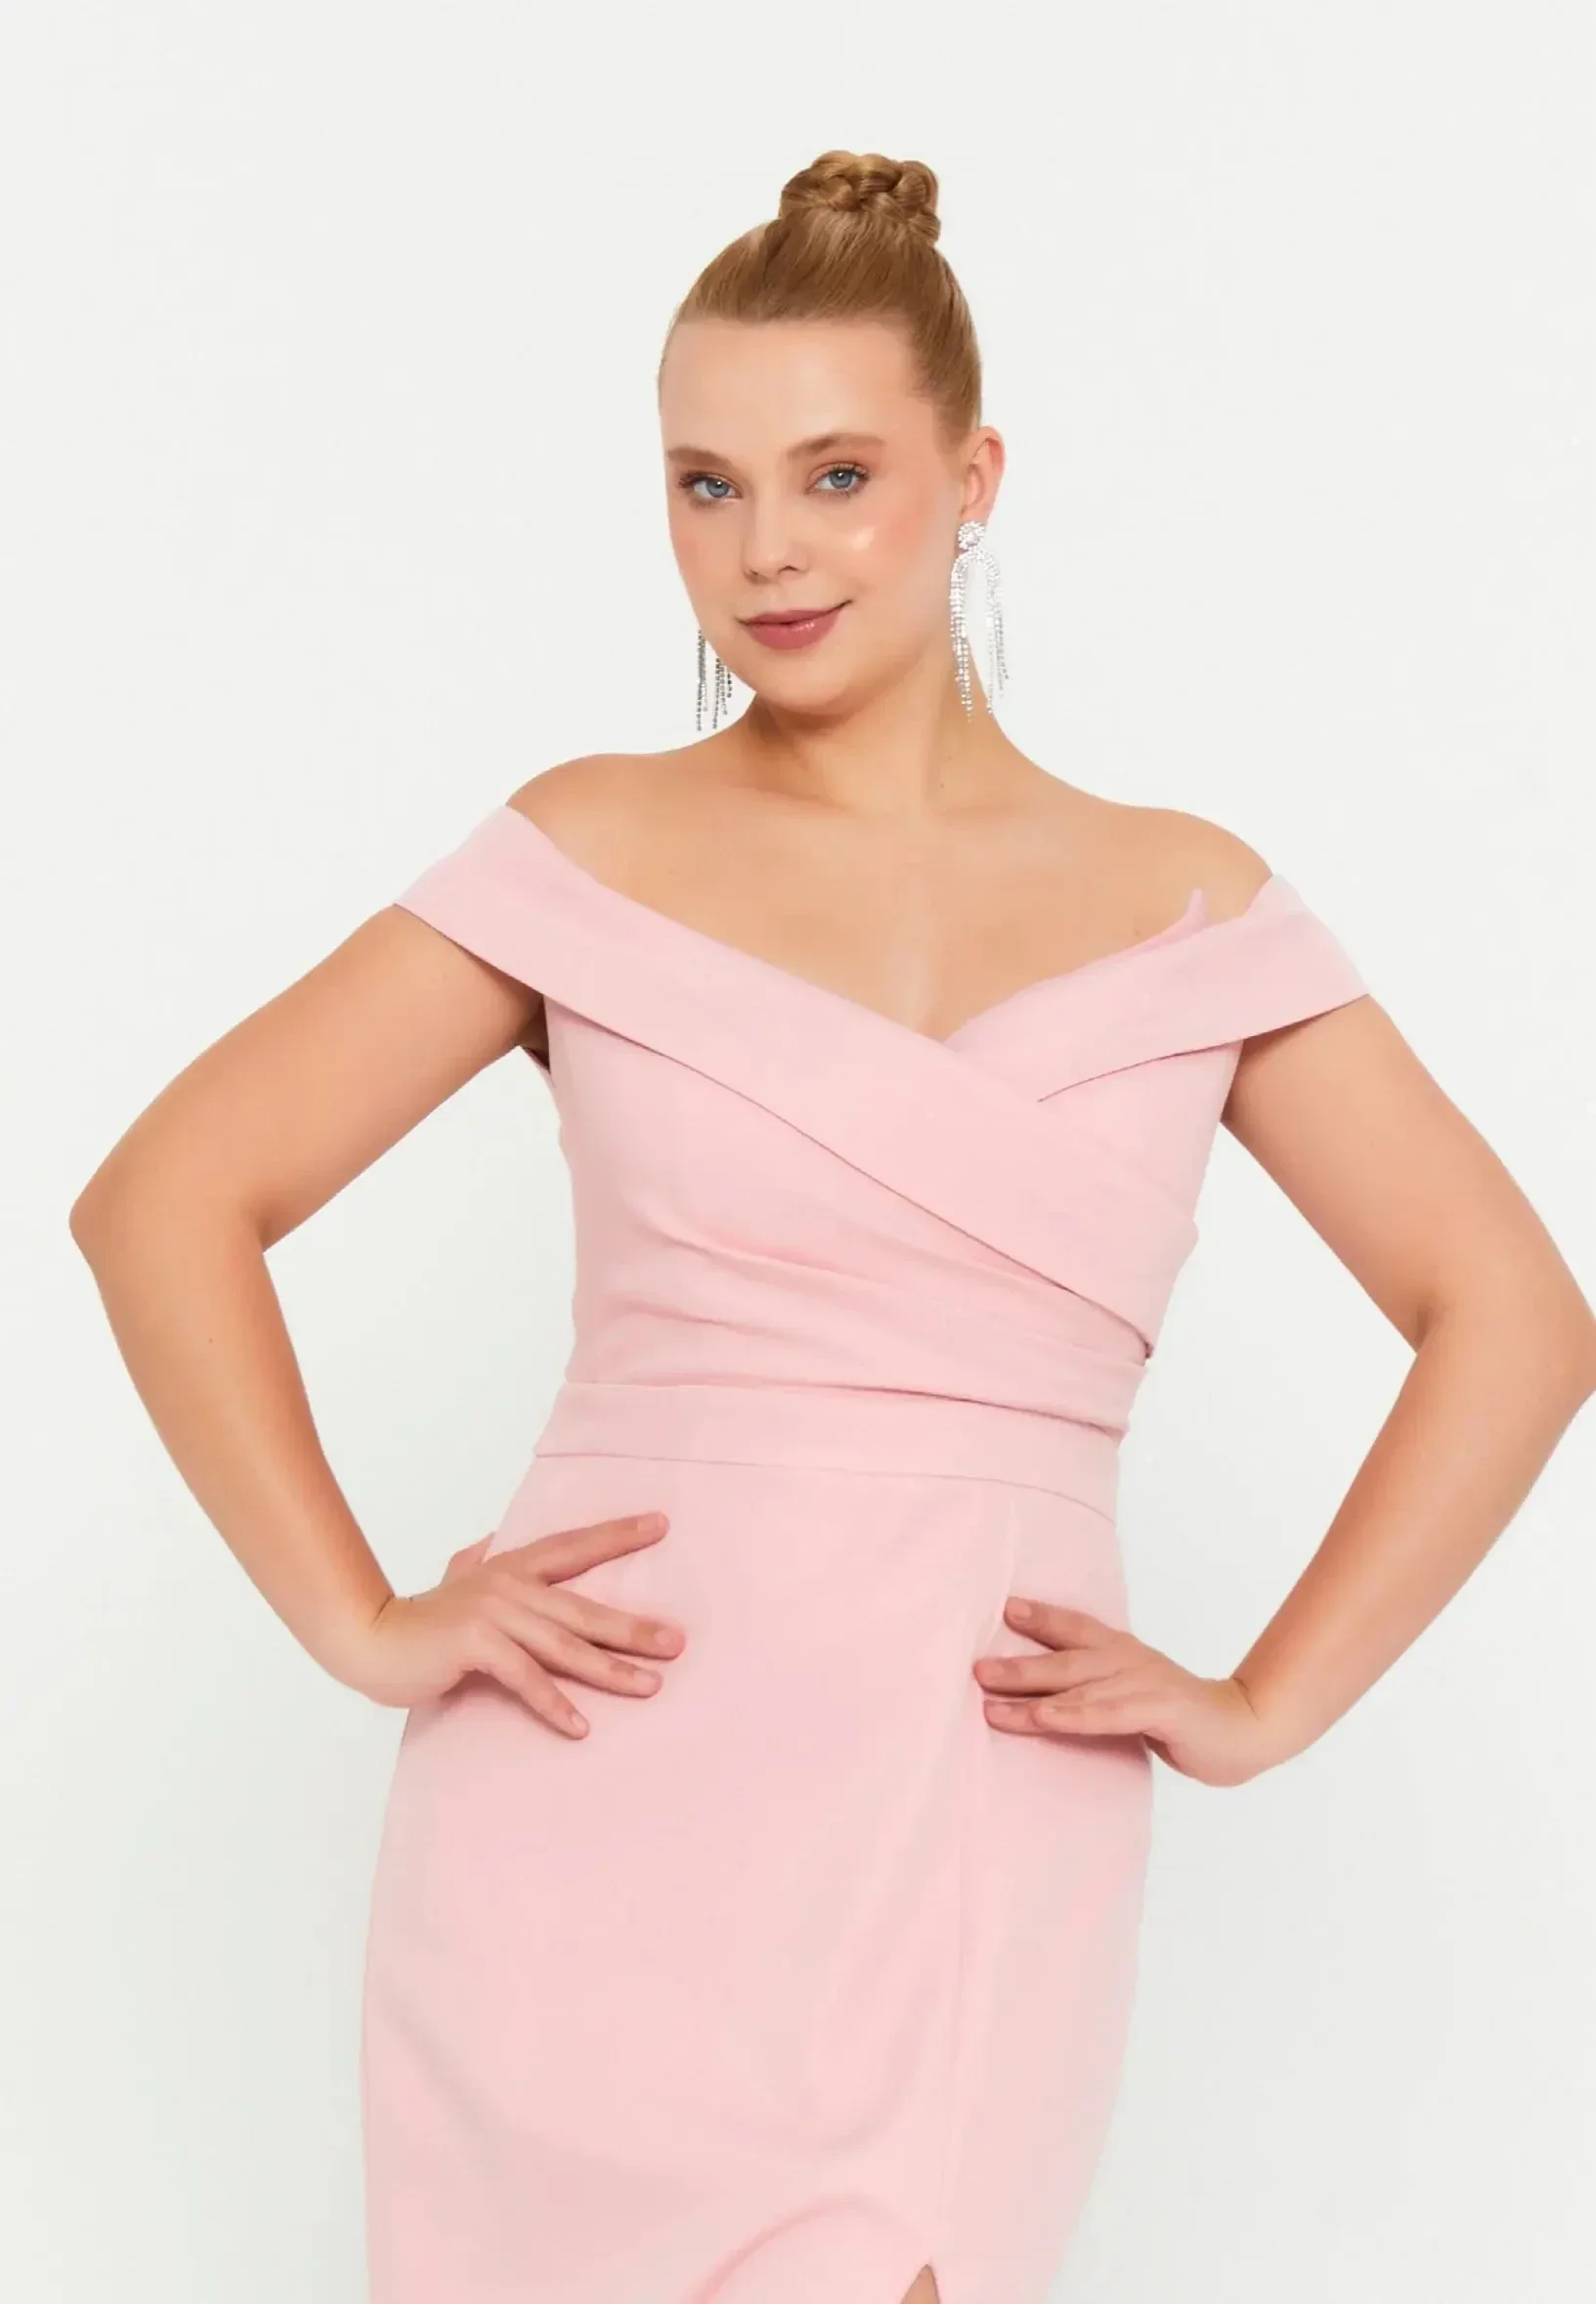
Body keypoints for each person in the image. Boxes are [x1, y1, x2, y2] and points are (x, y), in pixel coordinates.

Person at [68, 148, 1596, 2304]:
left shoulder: (1188, 900)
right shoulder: (585, 848)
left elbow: (1515, 1314)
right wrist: (359, 1617)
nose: (766, 548)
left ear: (975, 481)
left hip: (968, 1791)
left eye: (837, 475)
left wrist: (1267, 1699)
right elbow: (163, 1198)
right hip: (580, 1790)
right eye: (705, 486)